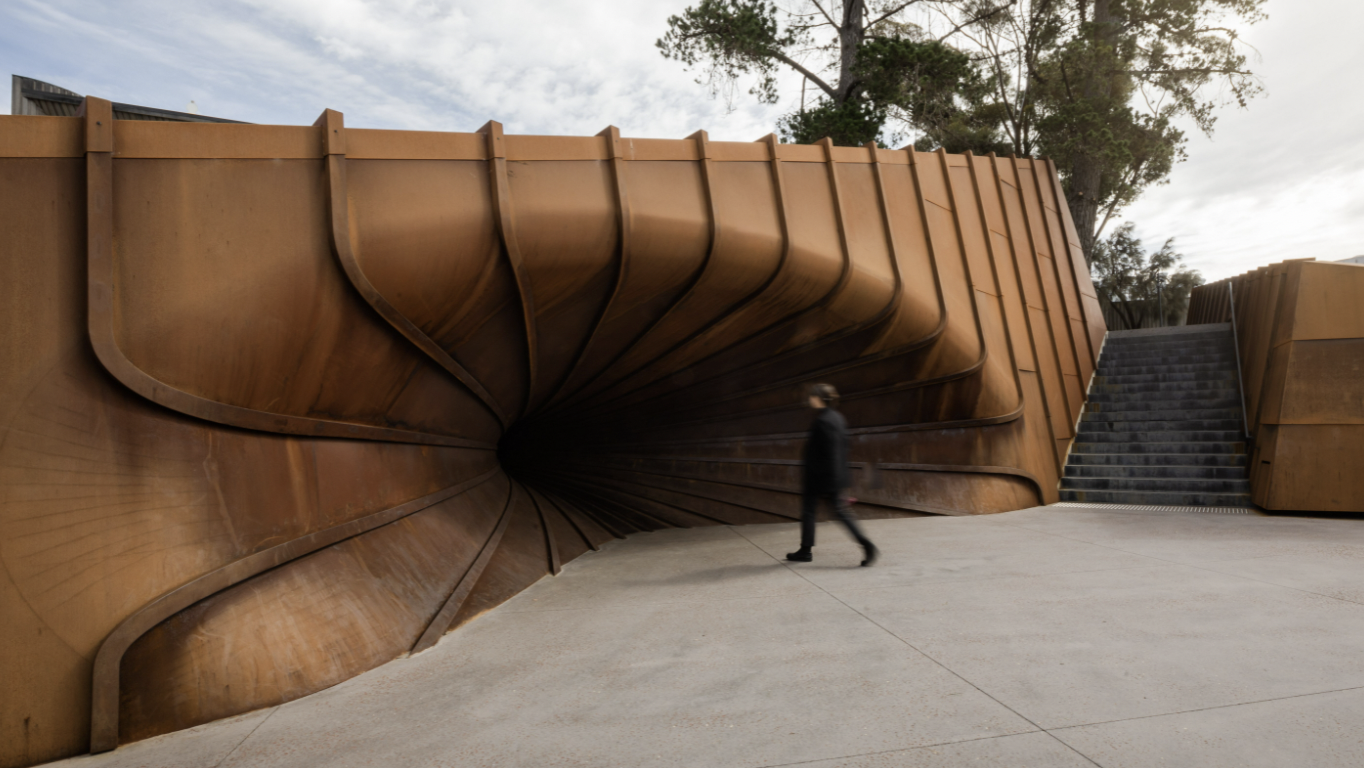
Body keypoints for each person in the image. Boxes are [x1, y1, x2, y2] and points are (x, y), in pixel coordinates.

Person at [787, 383, 878, 566]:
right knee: (832, 512)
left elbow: (828, 452)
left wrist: (823, 478)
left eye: (812, 396)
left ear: (818, 398)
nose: (810, 399)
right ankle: (806, 550)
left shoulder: (822, 421)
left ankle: (865, 544)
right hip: (832, 475)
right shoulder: (837, 418)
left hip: (820, 477)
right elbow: (843, 448)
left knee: (813, 511)